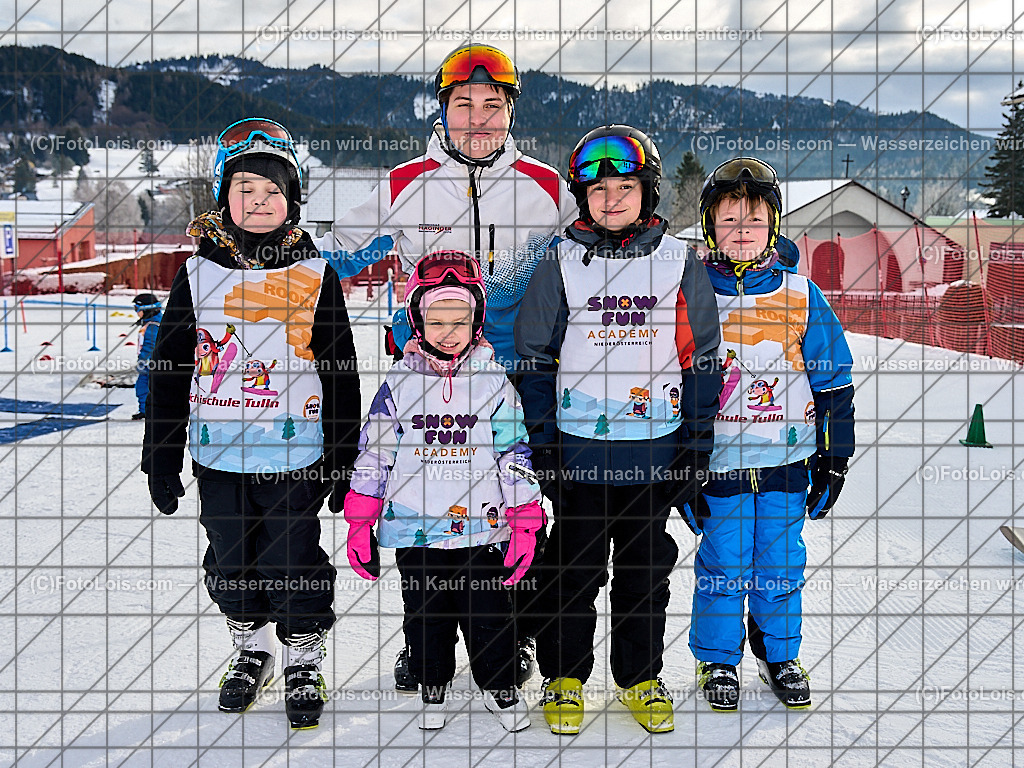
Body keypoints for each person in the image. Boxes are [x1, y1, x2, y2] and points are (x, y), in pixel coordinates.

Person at [316, 43, 575, 691]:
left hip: (520, 376)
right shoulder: (404, 184)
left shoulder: (546, 188)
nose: (479, 119)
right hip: (426, 382)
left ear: (511, 111)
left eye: (493, 105)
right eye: (465, 104)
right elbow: (329, 260)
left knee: (519, 509)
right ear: (443, 109)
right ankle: (422, 641)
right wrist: (251, 254)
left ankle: (507, 637)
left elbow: (604, 244)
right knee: (423, 507)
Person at [141, 117, 361, 730]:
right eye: (246, 191)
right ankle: (253, 648)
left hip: (297, 453)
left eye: (273, 193)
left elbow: (341, 373)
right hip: (218, 456)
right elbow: (169, 371)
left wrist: (345, 457)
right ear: (223, 198)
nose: (259, 204)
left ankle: (302, 655)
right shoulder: (196, 274)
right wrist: (160, 455)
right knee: (231, 558)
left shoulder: (317, 275)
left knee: (293, 559)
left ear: (292, 200)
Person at [515, 125, 722, 734]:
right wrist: (544, 440)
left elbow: (701, 356)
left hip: (653, 456)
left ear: (647, 191)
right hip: (579, 456)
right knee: (572, 573)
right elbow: (533, 355)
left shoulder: (677, 261)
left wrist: (696, 444)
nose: (611, 199)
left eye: (625, 186)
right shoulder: (560, 262)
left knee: (644, 573)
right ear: (582, 196)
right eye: (597, 188)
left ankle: (640, 677)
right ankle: (565, 675)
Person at [342, 251, 544, 732]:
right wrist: (360, 517)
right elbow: (374, 453)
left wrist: (524, 518)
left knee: (488, 613)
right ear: (417, 319)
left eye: (461, 319)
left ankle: (498, 685)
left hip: (482, 527)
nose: (449, 331)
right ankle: (433, 684)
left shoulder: (494, 382)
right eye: (436, 319)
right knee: (426, 615)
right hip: (414, 529)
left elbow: (513, 451)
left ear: (477, 322)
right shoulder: (398, 383)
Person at [689, 157, 855, 712]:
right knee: (722, 565)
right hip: (718, 466)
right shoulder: (690, 293)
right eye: (730, 218)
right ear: (711, 225)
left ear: (774, 226)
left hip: (787, 462)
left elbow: (833, 380)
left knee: (781, 563)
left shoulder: (802, 294)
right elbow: (667, 380)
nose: (742, 230)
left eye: (754, 220)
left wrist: (835, 456)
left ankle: (780, 653)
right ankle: (718, 660)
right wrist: (679, 464)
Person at [131, 293, 163, 420]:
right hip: (149, 364)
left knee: (146, 387)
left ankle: (151, 411)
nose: (136, 312)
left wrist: (144, 361)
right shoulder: (150, 323)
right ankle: (145, 410)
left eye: (137, 309)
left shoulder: (153, 326)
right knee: (142, 387)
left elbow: (150, 346)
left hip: (152, 364)